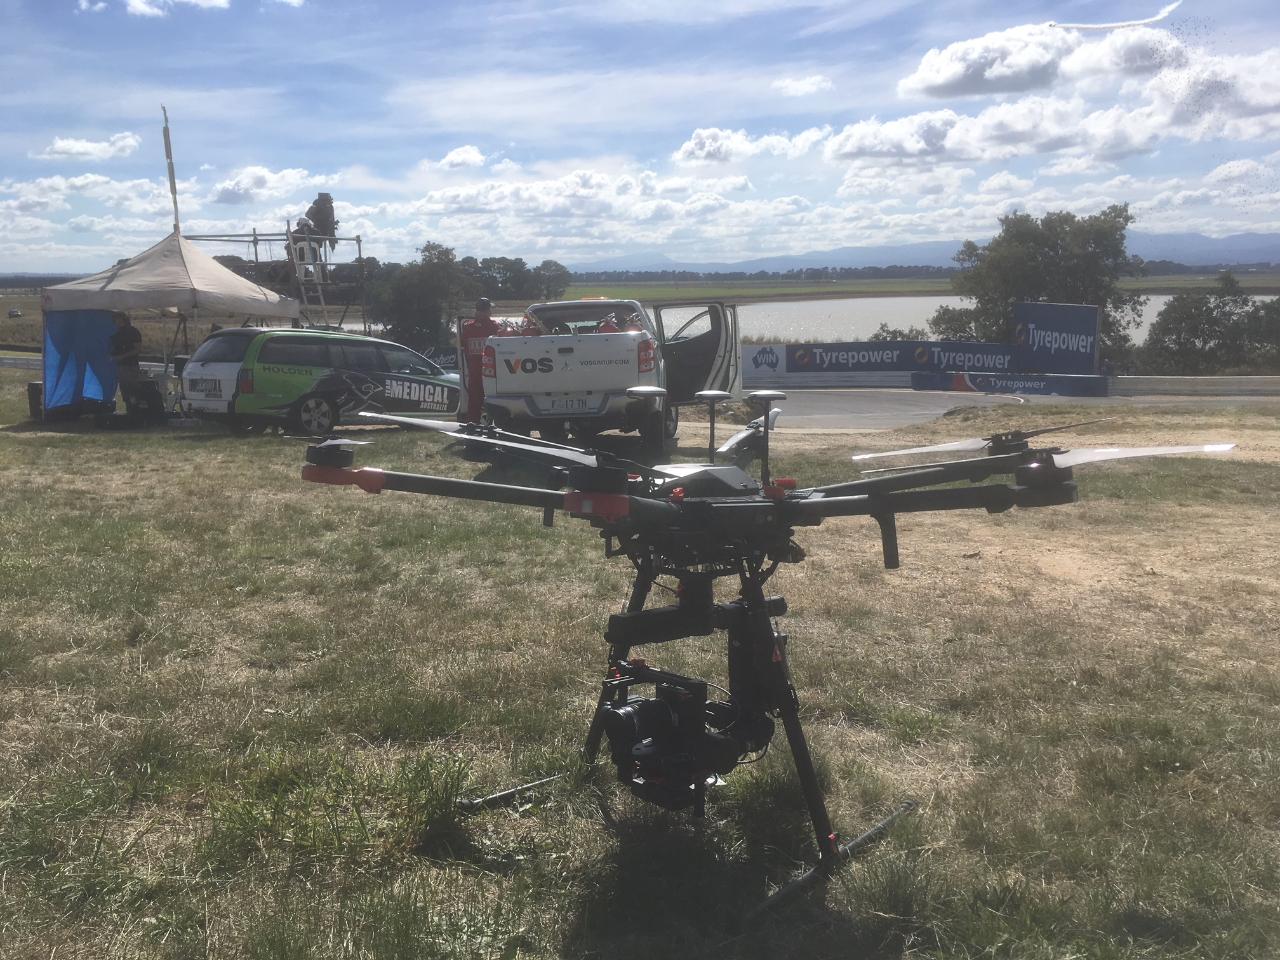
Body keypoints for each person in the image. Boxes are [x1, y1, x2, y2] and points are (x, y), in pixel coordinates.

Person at [459, 297, 501, 422]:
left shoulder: (468, 328)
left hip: (474, 371)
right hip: (492, 372)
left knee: (474, 402)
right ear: (488, 311)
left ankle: (473, 427)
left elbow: (462, 346)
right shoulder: (494, 327)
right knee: (495, 401)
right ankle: (494, 426)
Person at [109, 311, 143, 414]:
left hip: (131, 365)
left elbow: (137, 349)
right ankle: (130, 410)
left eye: (119, 319)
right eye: (115, 320)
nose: (117, 322)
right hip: (121, 366)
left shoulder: (133, 332)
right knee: (125, 390)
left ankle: (136, 410)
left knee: (133, 389)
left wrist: (122, 356)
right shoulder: (117, 334)